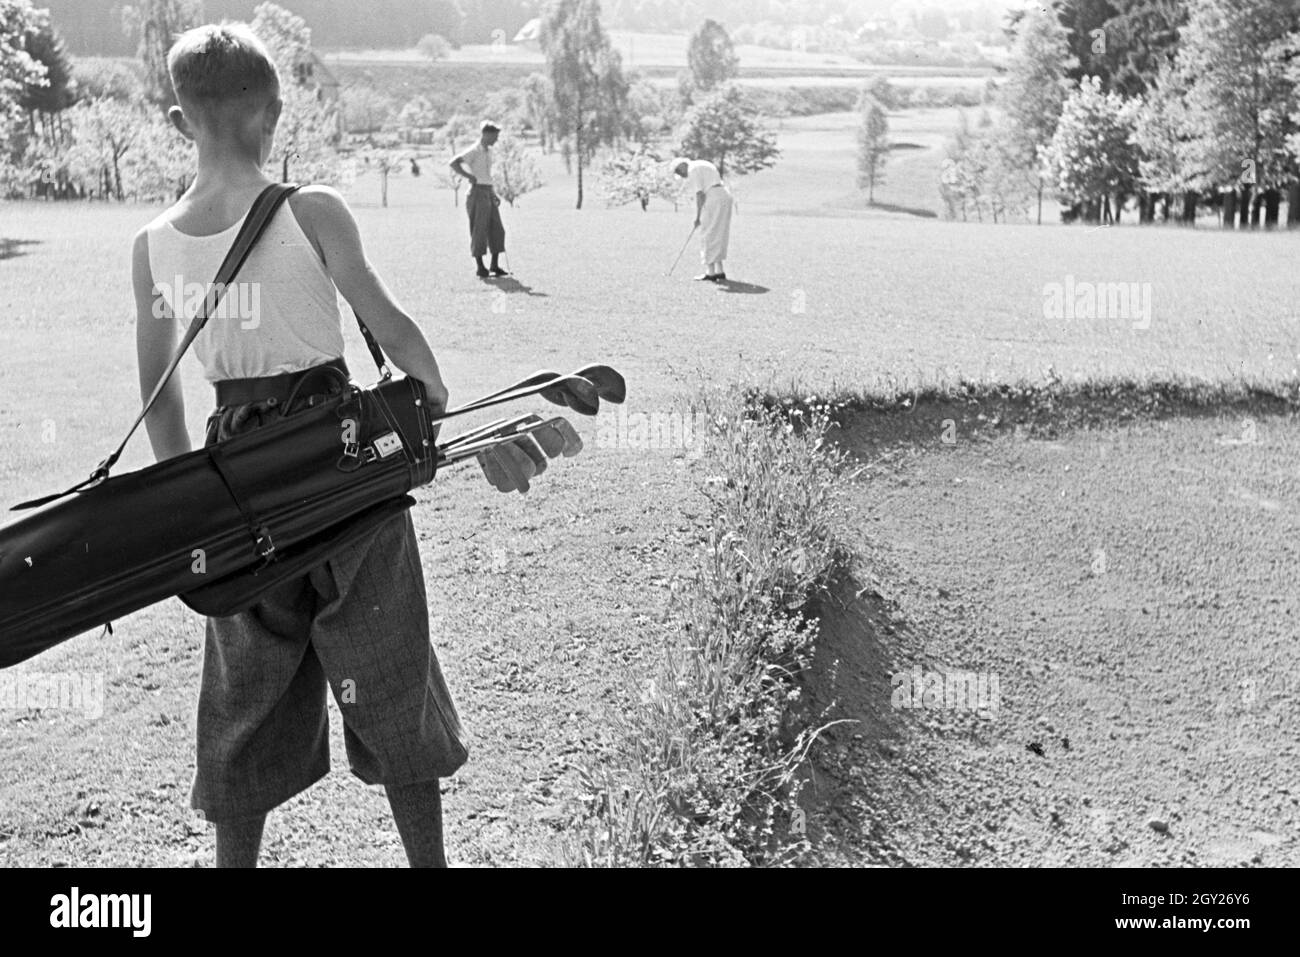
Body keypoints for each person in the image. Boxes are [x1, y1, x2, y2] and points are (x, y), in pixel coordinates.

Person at [132, 23, 468, 867]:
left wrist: (191, 510)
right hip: (346, 468)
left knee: (244, 693)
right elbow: (389, 323)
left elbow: (159, 401)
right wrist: (432, 392)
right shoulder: (313, 209)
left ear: (180, 123)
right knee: (390, 669)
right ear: (276, 114)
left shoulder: (151, 246)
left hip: (238, 489)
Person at [450, 121, 508, 279]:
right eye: (495, 136)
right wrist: (469, 177)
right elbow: (454, 163)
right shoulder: (474, 150)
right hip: (476, 192)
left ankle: (494, 265)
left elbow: (486, 175)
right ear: (486, 134)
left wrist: (493, 193)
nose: (496, 139)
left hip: (488, 191)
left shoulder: (488, 152)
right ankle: (480, 267)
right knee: (479, 229)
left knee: (497, 229)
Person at [673, 157, 734, 283]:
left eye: (679, 172)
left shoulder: (692, 170)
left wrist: (697, 217)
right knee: (719, 233)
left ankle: (710, 273)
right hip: (724, 195)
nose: (682, 175)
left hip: (713, 199)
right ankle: (719, 271)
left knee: (708, 233)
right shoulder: (700, 164)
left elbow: (700, 195)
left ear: (682, 166)